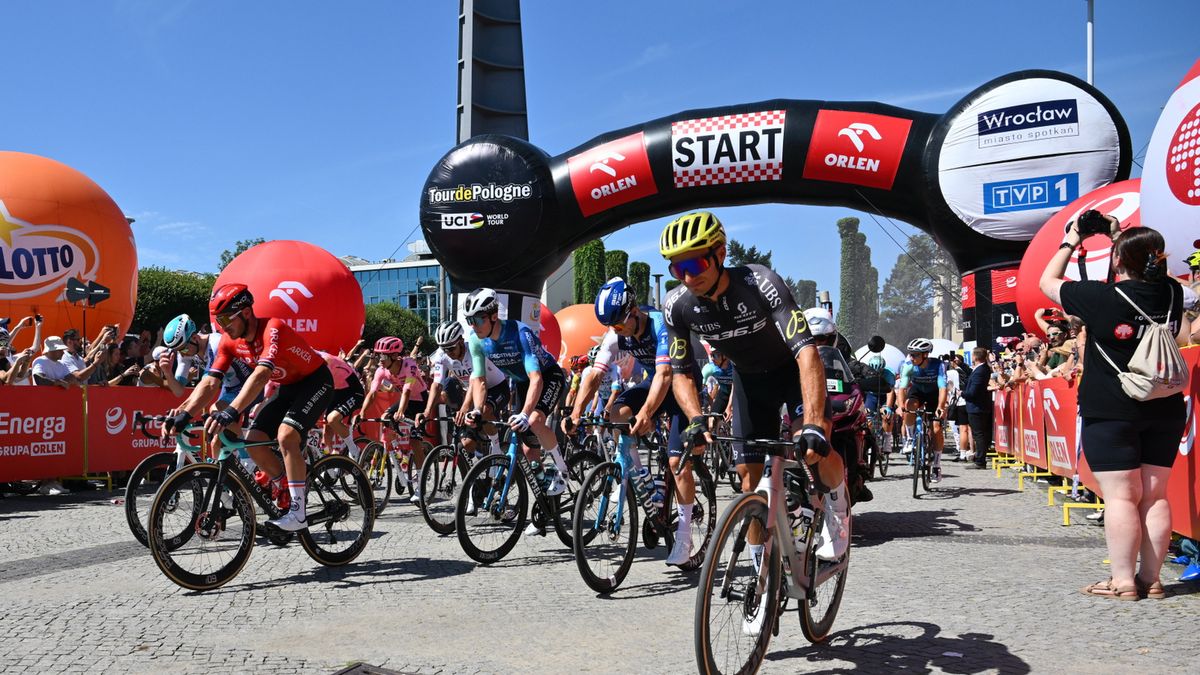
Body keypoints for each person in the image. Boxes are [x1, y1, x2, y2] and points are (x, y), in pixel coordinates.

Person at [657, 210, 846, 596]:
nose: (689, 276)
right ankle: (762, 572)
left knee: (813, 447)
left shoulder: (761, 283)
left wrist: (812, 423)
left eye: (695, 263)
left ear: (720, 252)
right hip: (749, 382)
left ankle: (838, 505)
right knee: (748, 480)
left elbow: (807, 352)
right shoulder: (677, 305)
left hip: (791, 372)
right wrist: (695, 418)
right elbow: (681, 372)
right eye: (678, 269)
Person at [1040, 220, 1188, 600]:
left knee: (1121, 497)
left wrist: (1073, 239)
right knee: (1155, 495)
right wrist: (1124, 237)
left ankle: (1122, 581)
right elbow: (1155, 274)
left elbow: (1047, 281)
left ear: (1118, 258)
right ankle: (1152, 580)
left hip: (1111, 406)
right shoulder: (1172, 293)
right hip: (1164, 404)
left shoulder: (1100, 297)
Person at [164, 284, 333, 532]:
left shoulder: (272, 328)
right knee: (254, 440)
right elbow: (210, 382)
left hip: (316, 381)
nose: (222, 327)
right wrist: (185, 414)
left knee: (286, 435)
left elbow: (263, 374)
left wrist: (231, 411)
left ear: (244, 312)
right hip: (288, 387)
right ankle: (284, 484)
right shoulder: (230, 343)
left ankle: (298, 513)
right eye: (217, 321)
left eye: (224, 319)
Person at [562, 276, 701, 565]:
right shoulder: (616, 335)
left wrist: (647, 414)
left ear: (634, 311)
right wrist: (576, 412)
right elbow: (594, 375)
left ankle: (685, 537)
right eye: (611, 327)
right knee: (617, 414)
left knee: (677, 463)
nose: (616, 331)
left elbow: (665, 376)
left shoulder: (662, 326)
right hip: (655, 385)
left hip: (682, 384)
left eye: (618, 324)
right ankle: (640, 473)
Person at [462, 287, 571, 536]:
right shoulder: (477, 340)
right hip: (521, 383)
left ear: (492, 315)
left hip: (547, 376)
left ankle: (562, 469)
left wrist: (525, 413)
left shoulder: (520, 332)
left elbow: (536, 379)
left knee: (532, 420)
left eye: (477, 319)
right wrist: (478, 410)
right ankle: (545, 506)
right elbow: (478, 380)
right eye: (470, 320)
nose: (474, 325)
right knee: (526, 448)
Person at [417, 320, 510, 464]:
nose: (448, 353)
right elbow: (437, 385)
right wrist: (427, 412)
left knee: (484, 410)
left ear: (461, 341)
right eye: (444, 349)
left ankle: (496, 448)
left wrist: (465, 408)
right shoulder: (442, 356)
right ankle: (476, 475)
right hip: (472, 393)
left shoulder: (474, 350)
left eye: (451, 348)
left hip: (496, 387)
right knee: (466, 445)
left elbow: (476, 381)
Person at [895, 338, 948, 482]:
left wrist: (940, 407)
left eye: (915, 355)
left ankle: (936, 465)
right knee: (909, 405)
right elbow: (902, 388)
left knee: (936, 428)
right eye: (911, 354)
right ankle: (910, 438)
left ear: (925, 355)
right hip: (917, 392)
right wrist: (900, 406)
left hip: (934, 395)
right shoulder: (908, 365)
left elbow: (943, 388)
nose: (911, 357)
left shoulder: (938, 365)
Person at [962, 346, 994, 469]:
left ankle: (980, 460)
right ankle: (980, 457)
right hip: (980, 406)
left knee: (979, 434)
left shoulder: (981, 370)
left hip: (977, 407)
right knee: (981, 433)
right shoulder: (982, 369)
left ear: (975, 357)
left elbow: (973, 392)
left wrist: (962, 394)